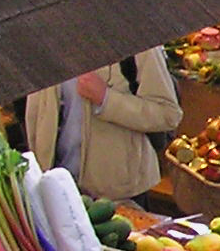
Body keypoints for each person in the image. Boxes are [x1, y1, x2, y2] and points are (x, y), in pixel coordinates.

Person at [24, 50, 184, 204]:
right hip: (55, 188)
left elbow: (168, 114)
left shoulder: (134, 40)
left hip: (119, 195)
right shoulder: (46, 41)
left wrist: (106, 99)